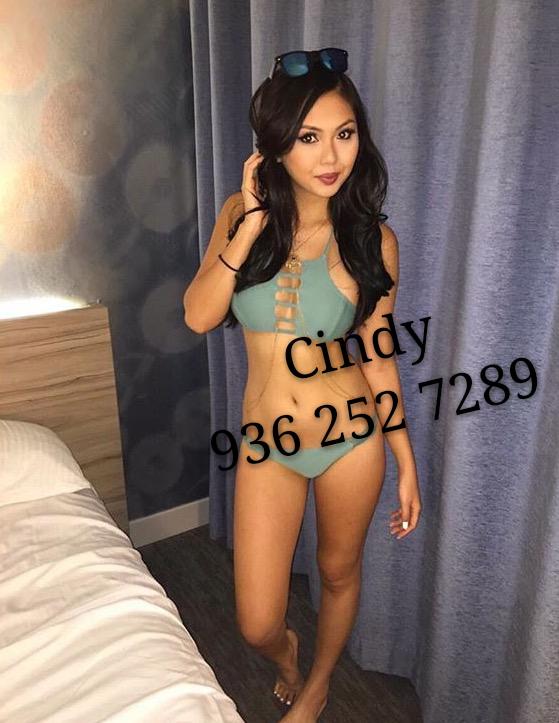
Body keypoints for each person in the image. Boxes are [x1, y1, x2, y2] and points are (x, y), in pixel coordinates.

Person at [184, 48, 422, 723]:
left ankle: (317, 683)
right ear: (276, 145)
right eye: (308, 137)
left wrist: (405, 459)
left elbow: (378, 355)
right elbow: (199, 314)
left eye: (344, 133)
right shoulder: (240, 212)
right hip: (270, 441)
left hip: (351, 438)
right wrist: (252, 225)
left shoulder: (373, 240)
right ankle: (287, 653)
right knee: (257, 621)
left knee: (339, 572)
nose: (331, 155)